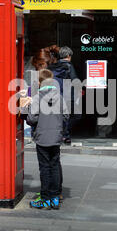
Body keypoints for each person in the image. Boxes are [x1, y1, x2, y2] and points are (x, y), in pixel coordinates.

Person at [25, 69, 68, 209]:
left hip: (42, 137)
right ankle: (55, 198)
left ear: (39, 82)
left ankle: (45, 198)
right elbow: (66, 116)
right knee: (55, 165)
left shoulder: (37, 97)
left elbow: (31, 119)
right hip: (56, 137)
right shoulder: (59, 96)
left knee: (44, 168)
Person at [48, 46, 79, 145]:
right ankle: (64, 134)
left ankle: (63, 134)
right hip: (68, 96)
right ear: (69, 56)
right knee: (76, 116)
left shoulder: (53, 66)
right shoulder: (69, 66)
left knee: (60, 115)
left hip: (55, 94)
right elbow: (75, 80)